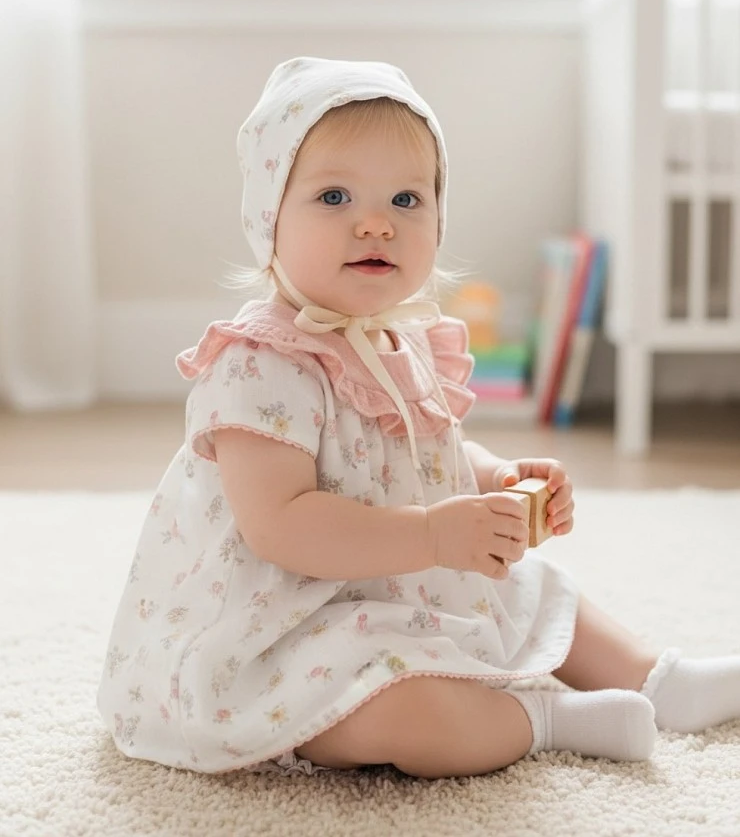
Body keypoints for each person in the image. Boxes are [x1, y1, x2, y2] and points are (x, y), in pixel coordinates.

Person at [97, 56, 740, 780]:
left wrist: (497, 479)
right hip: (280, 625)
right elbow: (280, 525)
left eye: (406, 199)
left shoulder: (402, 342)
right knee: (407, 709)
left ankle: (656, 678)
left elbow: (427, 454)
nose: (376, 223)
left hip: (394, 583)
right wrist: (433, 534)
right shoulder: (262, 364)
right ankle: (546, 721)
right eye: (334, 196)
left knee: (533, 589)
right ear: (269, 219)